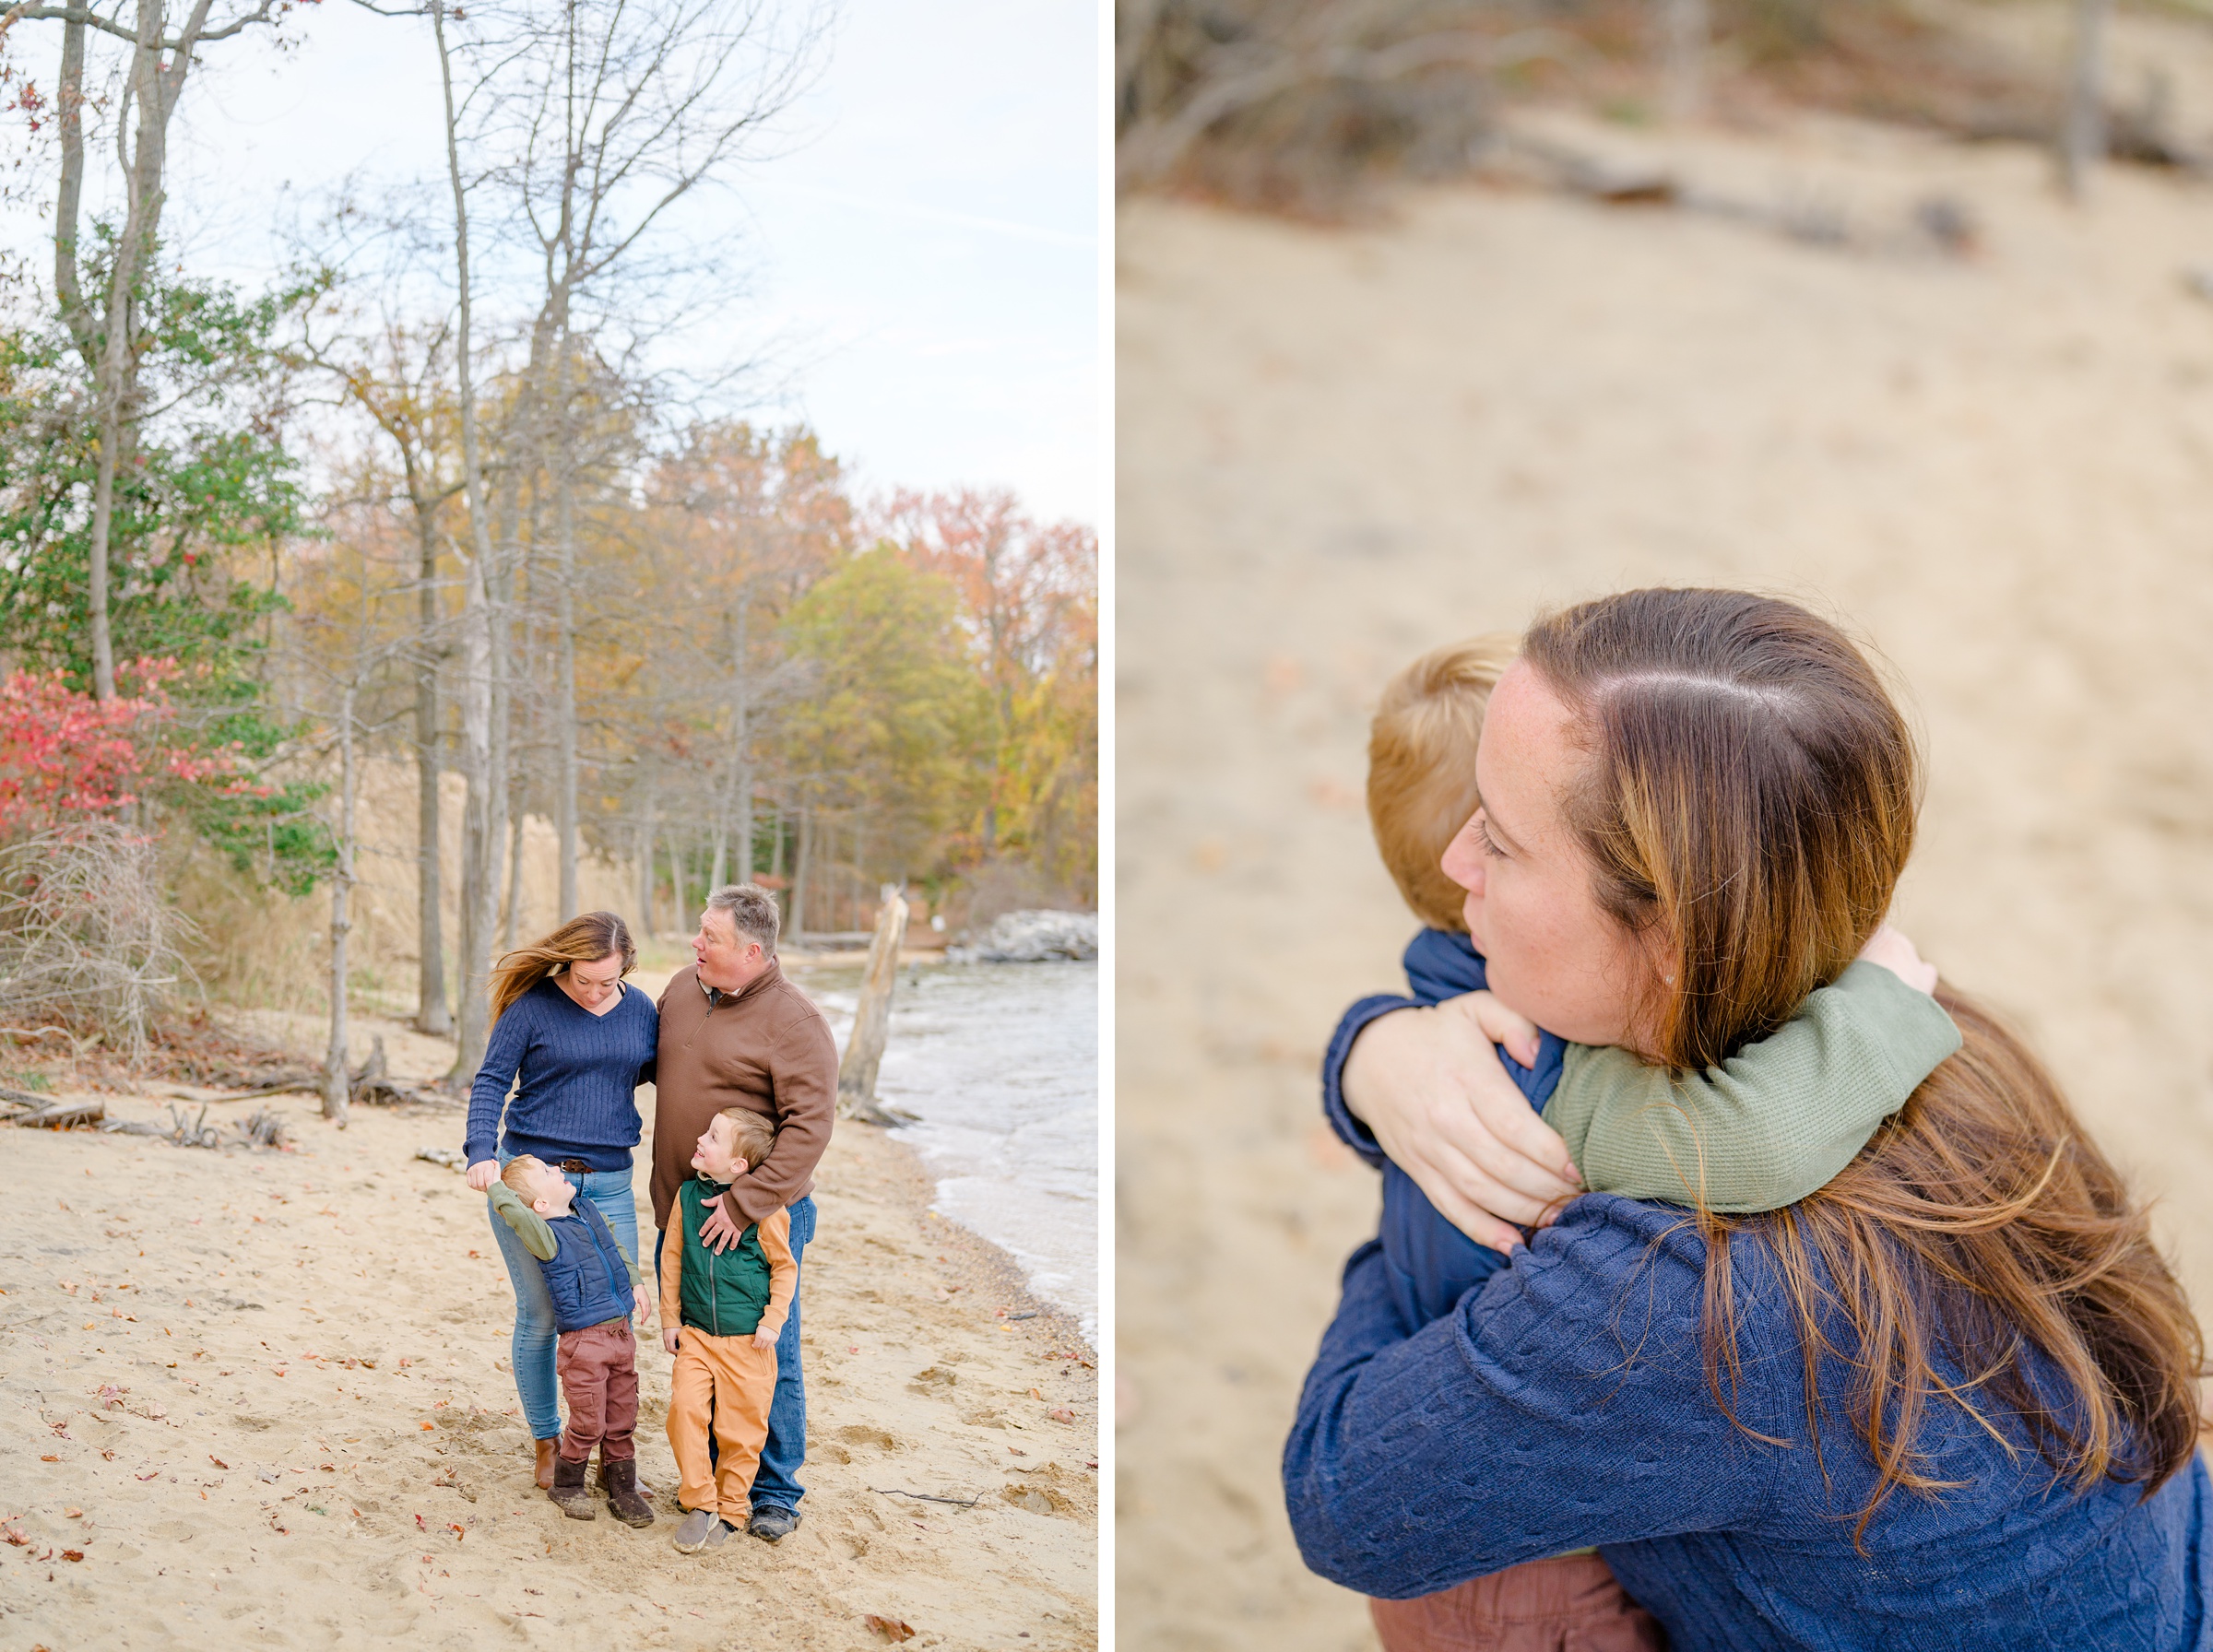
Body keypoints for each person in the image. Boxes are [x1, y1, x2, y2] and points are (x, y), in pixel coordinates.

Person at [1284, 589, 2209, 1649]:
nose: (1456, 867)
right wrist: (1374, 1055)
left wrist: (1409, 1203)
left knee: (1452, 1588)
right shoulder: (1928, 1033)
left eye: (1499, 839)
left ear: (1669, 933)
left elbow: (1341, 1491)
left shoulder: (1672, 1291)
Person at [1342, 634, 1964, 1648]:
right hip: (1510, 1553)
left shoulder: (1438, 997)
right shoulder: (1543, 1052)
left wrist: (1357, 1055)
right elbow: (1744, 1142)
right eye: (1498, 831)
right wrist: (1880, 1016)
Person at [652, 883, 837, 1544]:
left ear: (753, 950)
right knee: (697, 1349)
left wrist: (745, 1203)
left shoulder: (795, 1023)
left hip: (753, 1222)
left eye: (711, 937)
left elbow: (811, 1128)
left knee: (766, 1351)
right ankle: (709, 1488)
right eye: (700, 932)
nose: (695, 944)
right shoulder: (680, 989)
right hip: (683, 1212)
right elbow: (648, 1065)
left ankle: (775, 1493)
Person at [464, 911, 658, 1493]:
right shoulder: (532, 1007)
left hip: (610, 1184)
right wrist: (480, 1151)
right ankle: (548, 1444)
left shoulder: (642, 1009)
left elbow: (661, 1074)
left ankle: (607, 1452)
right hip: (532, 1186)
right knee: (544, 1315)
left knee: (614, 1317)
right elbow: (492, 1079)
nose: (597, 990)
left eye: (610, 980)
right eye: (585, 979)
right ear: (565, 961)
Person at [487, 1155, 655, 1526]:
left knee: (623, 1417)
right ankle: (568, 1483)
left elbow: (615, 1248)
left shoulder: (589, 1212)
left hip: (620, 1336)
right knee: (589, 1421)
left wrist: (636, 1283)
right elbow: (517, 1215)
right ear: (541, 1205)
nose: (558, 1171)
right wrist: (495, 1185)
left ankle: (622, 1486)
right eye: (547, 1173)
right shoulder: (546, 1237)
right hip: (585, 1346)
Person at [660, 1107, 797, 1555]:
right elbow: (673, 1259)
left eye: (713, 1136)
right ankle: (699, 1501)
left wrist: (773, 1321)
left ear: (739, 1165)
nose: (701, 1138)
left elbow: (784, 1266)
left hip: (748, 1343)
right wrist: (670, 1320)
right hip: (697, 1336)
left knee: (741, 1432)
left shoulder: (766, 1209)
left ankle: (734, 1509)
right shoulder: (685, 1196)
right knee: (684, 1411)